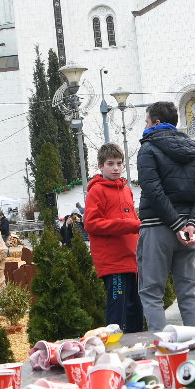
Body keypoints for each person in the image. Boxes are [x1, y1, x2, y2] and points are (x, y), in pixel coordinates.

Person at [135, 100, 195, 330]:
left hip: (157, 227)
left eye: (146, 121)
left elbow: (152, 189)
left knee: (151, 293)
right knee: (188, 292)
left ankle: (163, 352)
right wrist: (190, 223)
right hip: (189, 231)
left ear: (156, 122)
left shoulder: (148, 149)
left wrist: (176, 223)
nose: (145, 126)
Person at [82, 142, 145, 332]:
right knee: (117, 312)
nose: (116, 168)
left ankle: (137, 348)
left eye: (119, 163)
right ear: (101, 166)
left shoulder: (126, 190)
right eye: (110, 163)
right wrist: (127, 225)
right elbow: (91, 224)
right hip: (113, 263)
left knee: (136, 309)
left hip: (132, 259)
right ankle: (113, 352)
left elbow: (134, 219)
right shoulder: (96, 191)